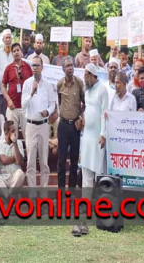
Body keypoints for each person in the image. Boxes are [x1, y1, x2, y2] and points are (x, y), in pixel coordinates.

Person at [21, 56, 56, 188]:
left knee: (43, 161)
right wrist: (31, 92)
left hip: (43, 125)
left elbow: (52, 104)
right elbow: (23, 105)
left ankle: (44, 192)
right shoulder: (27, 84)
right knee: (30, 161)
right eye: (33, 66)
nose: (35, 68)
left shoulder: (47, 85)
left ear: (42, 67)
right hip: (30, 125)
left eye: (37, 65)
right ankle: (32, 193)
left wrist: (48, 111)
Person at [56, 56, 85, 189]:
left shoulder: (79, 83)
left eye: (72, 65)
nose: (70, 68)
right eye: (67, 66)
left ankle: (71, 192)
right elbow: (60, 102)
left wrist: (80, 117)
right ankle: (61, 191)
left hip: (75, 127)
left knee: (74, 161)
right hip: (62, 126)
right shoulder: (60, 84)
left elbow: (84, 103)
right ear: (63, 69)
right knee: (61, 161)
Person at [80, 63, 109, 189]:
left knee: (98, 172)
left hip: (98, 137)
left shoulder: (102, 89)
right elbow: (86, 109)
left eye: (86, 75)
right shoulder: (86, 90)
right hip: (86, 136)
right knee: (86, 170)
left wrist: (103, 134)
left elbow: (104, 113)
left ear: (92, 75)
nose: (84, 78)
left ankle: (99, 205)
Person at [1, 43, 32, 138]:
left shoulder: (28, 67)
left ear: (21, 52)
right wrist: (9, 100)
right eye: (14, 51)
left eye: (18, 50)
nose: (16, 52)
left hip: (25, 108)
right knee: (12, 137)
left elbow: (32, 84)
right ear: (12, 54)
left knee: (28, 136)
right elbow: (3, 86)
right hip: (12, 107)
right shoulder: (8, 68)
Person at [0, 120, 25, 196]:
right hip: (3, 177)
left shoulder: (18, 143)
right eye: (12, 131)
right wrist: (15, 158)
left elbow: (19, 161)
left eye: (15, 130)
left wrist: (15, 142)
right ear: (6, 132)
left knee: (20, 173)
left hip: (14, 176)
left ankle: (8, 195)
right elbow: (4, 160)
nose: (15, 133)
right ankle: (10, 196)